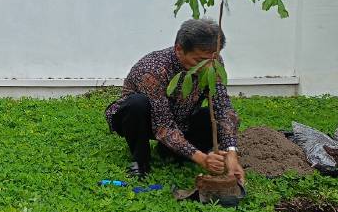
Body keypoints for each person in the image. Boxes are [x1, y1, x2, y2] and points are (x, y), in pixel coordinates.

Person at [105, 18, 246, 182]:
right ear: (179, 49)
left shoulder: (213, 63)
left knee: (211, 117)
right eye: (199, 61)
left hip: (182, 120)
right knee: (137, 104)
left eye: (212, 60)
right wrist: (202, 159)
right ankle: (140, 161)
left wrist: (231, 152)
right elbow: (163, 125)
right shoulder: (153, 69)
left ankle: (170, 151)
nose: (207, 67)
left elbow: (222, 107)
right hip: (145, 121)